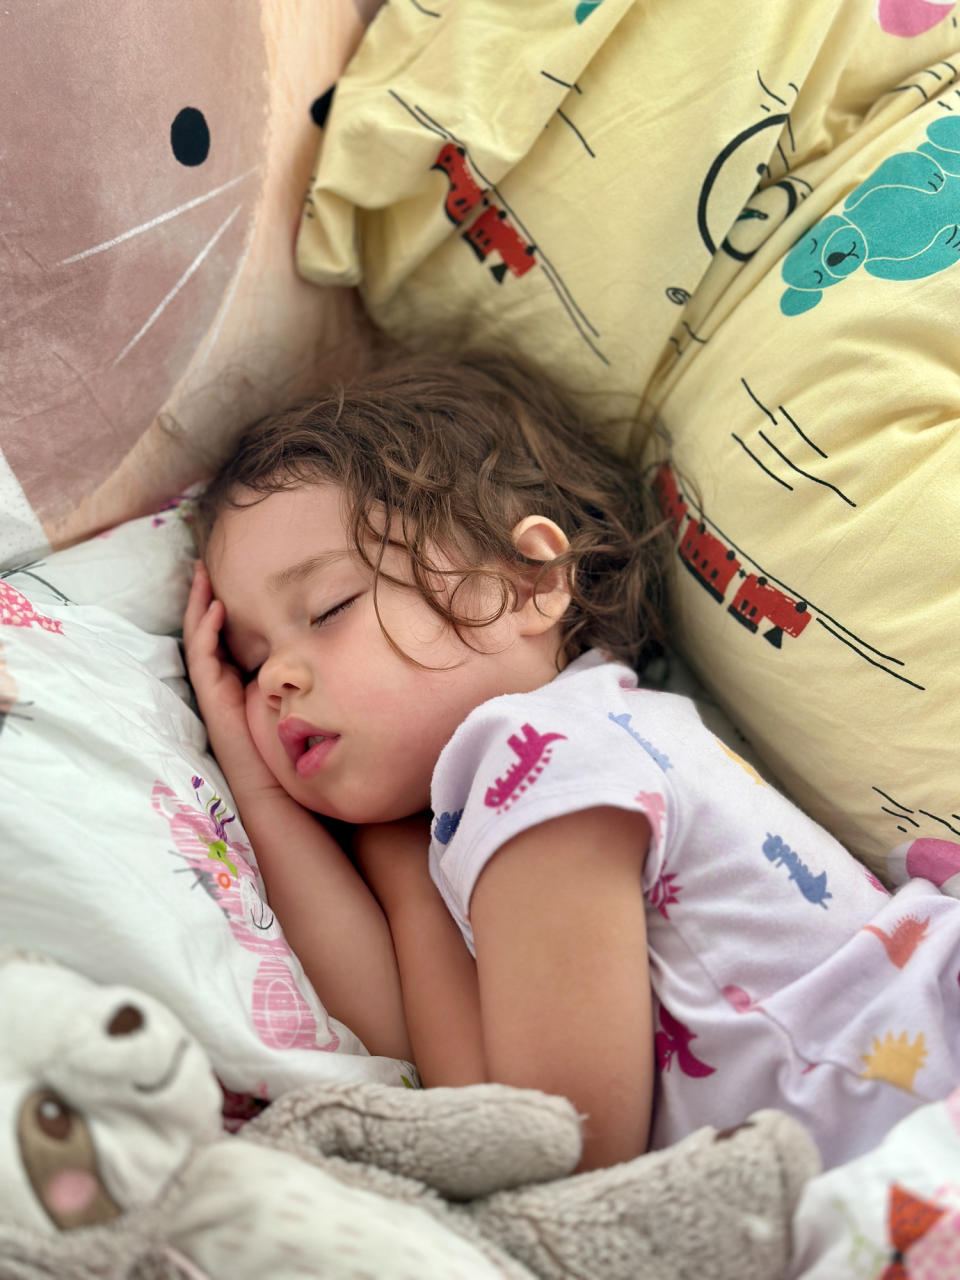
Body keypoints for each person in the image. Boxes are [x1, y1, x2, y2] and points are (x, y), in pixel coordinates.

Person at [184, 350, 960, 1173]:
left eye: (328, 608)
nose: (276, 679)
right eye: (249, 655)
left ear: (526, 581)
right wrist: (263, 789)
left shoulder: (544, 752)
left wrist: (404, 868)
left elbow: (545, 1145)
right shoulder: (536, 772)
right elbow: (396, 1042)